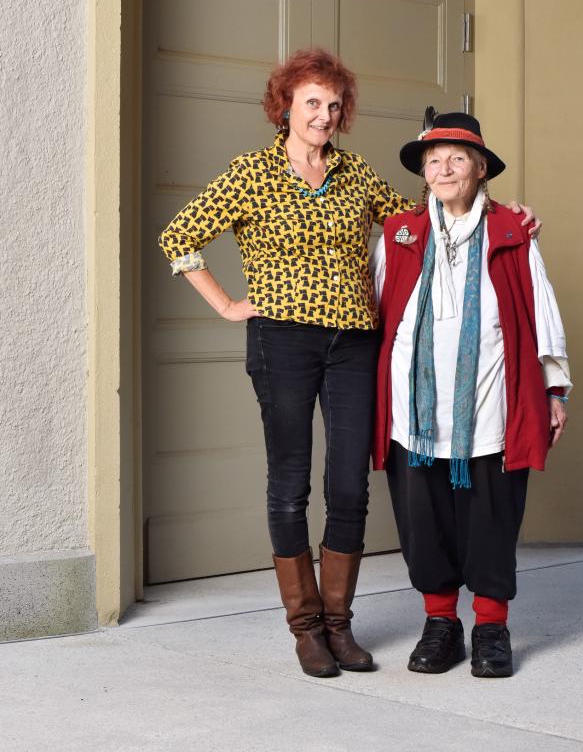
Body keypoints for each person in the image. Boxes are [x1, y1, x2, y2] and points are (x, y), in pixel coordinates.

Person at [158, 49, 541, 678]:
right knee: (290, 486)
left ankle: (340, 626)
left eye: (334, 106)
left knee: (348, 489)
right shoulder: (251, 172)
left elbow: (428, 217)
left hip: (354, 345)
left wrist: (511, 216)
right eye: (312, 103)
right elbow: (179, 237)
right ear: (285, 107)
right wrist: (227, 303)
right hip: (281, 342)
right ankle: (306, 628)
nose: (325, 116)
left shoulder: (356, 174)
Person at [372, 110, 571, 678]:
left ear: (481, 169)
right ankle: (441, 624)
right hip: (414, 411)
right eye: (433, 160)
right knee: (422, 520)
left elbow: (542, 312)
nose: (443, 168)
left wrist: (555, 389)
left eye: (457, 158)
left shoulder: (512, 231)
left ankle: (490, 626)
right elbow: (379, 313)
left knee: (491, 519)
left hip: (490, 404)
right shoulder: (399, 234)